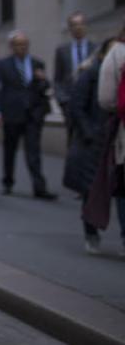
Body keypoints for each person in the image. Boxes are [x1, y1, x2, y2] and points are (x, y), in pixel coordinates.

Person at [66, 40, 123, 254]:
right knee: (90, 189)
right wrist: (89, 132)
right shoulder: (91, 74)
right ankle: (91, 232)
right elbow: (77, 106)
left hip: (114, 139)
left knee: (118, 189)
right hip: (94, 141)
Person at [0, 31, 58, 199]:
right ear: (12, 47)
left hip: (32, 115)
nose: (22, 48)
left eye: (25, 45)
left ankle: (39, 186)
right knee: (10, 150)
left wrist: (43, 80)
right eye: (18, 45)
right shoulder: (3, 64)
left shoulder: (37, 64)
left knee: (33, 151)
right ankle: (8, 181)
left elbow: (45, 89)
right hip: (12, 113)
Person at [54, 11, 96, 142]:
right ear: (70, 28)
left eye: (81, 24)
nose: (78, 27)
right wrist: (63, 100)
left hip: (90, 102)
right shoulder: (62, 50)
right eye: (74, 25)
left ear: (86, 26)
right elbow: (58, 78)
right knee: (72, 139)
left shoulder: (96, 48)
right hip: (70, 102)